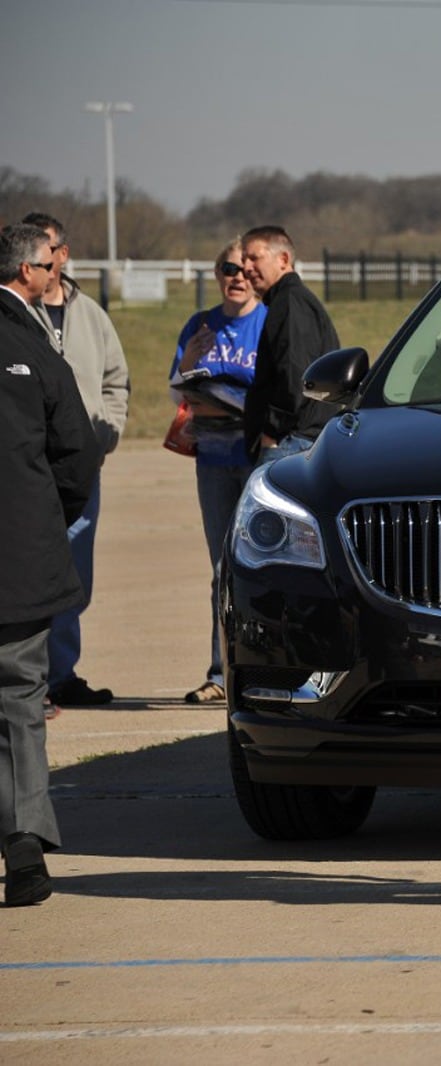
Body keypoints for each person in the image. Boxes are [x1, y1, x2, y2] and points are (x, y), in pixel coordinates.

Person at [0, 222, 101, 905]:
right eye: (49, 268)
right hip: (19, 555)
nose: (54, 278)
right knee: (19, 702)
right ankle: (25, 845)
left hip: (22, 549)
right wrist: (46, 519)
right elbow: (77, 451)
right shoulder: (33, 345)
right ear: (28, 273)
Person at [19, 213, 130, 709]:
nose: (40, 266)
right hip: (29, 469)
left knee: (73, 574)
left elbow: (115, 379)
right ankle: (30, 680)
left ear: (62, 255)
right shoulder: (16, 315)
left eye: (47, 253)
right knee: (28, 572)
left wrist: (106, 433)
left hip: (81, 466)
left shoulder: (92, 315)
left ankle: (62, 673)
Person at [168, 240, 265, 703]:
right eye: (229, 268)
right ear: (216, 273)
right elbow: (176, 389)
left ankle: (263, 669)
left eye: (246, 268)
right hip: (213, 458)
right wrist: (191, 359)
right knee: (222, 568)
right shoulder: (200, 324)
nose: (238, 276)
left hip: (256, 456)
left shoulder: (269, 323)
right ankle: (221, 674)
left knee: (262, 567)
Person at [238, 225, 340, 465]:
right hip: (294, 439)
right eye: (244, 260)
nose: (246, 267)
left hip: (291, 442)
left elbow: (295, 376)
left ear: (283, 259)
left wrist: (271, 433)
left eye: (254, 258)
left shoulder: (291, 303)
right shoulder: (286, 301)